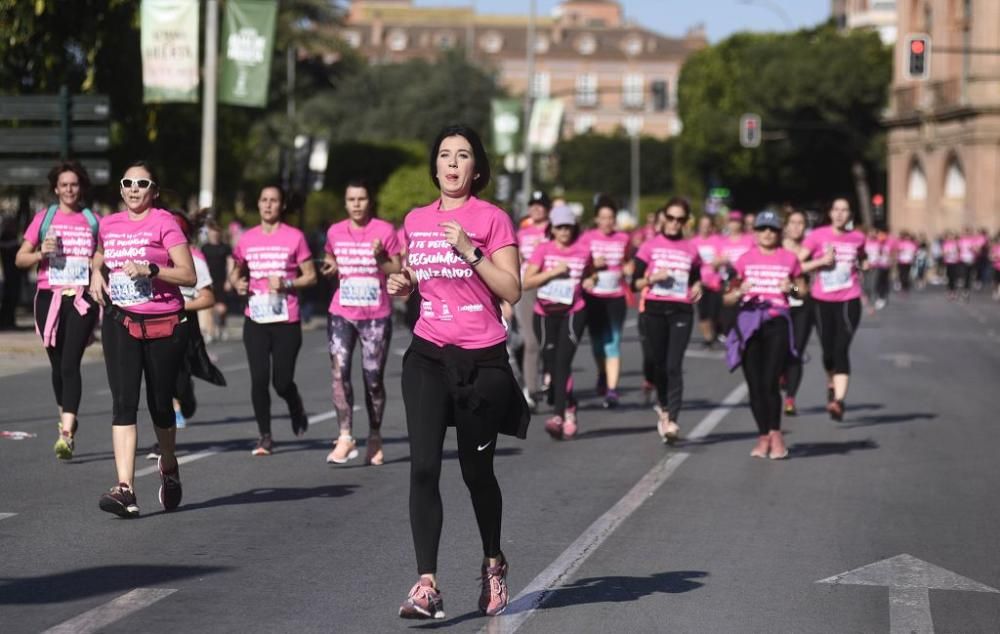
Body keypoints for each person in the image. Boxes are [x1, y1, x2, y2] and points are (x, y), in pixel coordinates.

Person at [387, 125, 528, 620]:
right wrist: (402, 282)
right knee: (423, 467)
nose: (451, 163)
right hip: (428, 356)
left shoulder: (492, 219)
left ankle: (493, 560)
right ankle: (427, 584)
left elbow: (511, 289)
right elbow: (417, 279)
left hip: (481, 360)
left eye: (462, 155)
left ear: (477, 169)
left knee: (476, 473)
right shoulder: (416, 219)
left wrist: (472, 250)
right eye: (444, 155)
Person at [88, 161, 196, 517]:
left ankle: (168, 464)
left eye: (142, 183)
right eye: (128, 183)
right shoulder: (109, 223)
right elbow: (102, 253)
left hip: (164, 322)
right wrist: (95, 274)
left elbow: (188, 275)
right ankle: (125, 489)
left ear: (154, 190)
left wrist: (152, 269)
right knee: (123, 401)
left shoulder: (165, 223)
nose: (134, 188)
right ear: (121, 189)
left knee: (160, 404)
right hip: (121, 320)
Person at [15, 160, 100, 460]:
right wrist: (41, 252)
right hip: (48, 298)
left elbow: (103, 257)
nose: (69, 189)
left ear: (81, 188)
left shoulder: (92, 221)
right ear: (56, 188)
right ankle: (67, 415)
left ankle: (66, 434)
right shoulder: (45, 218)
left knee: (69, 364)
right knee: (56, 366)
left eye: (74, 184)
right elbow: (20, 258)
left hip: (81, 299)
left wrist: (96, 266)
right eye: (64, 185)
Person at [230, 184, 317, 457]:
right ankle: (265, 435)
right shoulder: (247, 239)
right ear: (258, 204)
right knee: (258, 379)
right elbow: (235, 273)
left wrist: (288, 282)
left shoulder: (295, 237)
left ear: (281, 206)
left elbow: (311, 276)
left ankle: (295, 404)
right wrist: (238, 284)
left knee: (281, 382)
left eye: (274, 200)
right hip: (255, 318)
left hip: (286, 319)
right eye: (264, 200)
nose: (268, 205)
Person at [320, 180, 402, 465]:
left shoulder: (385, 231)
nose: (356, 204)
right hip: (341, 312)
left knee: (373, 380)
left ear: (370, 201)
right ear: (345, 203)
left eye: (361, 198)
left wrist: (381, 257)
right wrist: (330, 266)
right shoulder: (335, 231)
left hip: (375, 316)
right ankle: (344, 436)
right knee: (339, 372)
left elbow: (397, 269)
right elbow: (330, 259)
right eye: (351, 199)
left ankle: (375, 436)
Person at [724, 210, 806, 459]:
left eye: (772, 229)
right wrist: (738, 293)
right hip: (749, 323)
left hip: (776, 322)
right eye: (762, 229)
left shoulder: (789, 258)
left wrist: (789, 287)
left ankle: (776, 434)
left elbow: (802, 291)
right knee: (755, 384)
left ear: (779, 233)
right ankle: (763, 436)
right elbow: (727, 297)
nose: (767, 233)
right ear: (755, 232)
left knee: (770, 381)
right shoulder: (743, 260)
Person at [632, 197, 702, 444]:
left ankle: (672, 417)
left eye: (680, 219)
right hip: (654, 310)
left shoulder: (691, 249)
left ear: (685, 221)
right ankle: (662, 404)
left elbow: (696, 278)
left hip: (681, 310)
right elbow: (634, 283)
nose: (674, 223)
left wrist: (698, 287)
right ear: (663, 218)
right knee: (658, 363)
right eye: (670, 218)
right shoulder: (649, 247)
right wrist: (652, 279)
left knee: (674, 365)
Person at [524, 204, 593, 438]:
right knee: (551, 364)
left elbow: (590, 272)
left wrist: (590, 280)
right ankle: (571, 405)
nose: (565, 232)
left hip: (573, 312)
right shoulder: (542, 250)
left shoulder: (583, 250)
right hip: (544, 314)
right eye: (560, 227)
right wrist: (553, 273)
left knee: (563, 362)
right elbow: (527, 281)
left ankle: (559, 415)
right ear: (552, 228)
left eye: (569, 227)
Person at [798, 197, 867, 422]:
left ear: (850, 214)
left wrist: (864, 264)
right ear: (829, 213)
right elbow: (796, 264)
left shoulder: (858, 237)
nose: (839, 214)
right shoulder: (817, 236)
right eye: (835, 209)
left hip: (850, 299)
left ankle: (838, 401)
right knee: (828, 351)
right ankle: (831, 383)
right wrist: (820, 263)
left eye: (844, 210)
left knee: (841, 348)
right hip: (821, 300)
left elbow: (863, 258)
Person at [580, 196, 632, 408]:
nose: (607, 222)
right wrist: (592, 264)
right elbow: (579, 264)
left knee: (613, 342)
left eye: (611, 217)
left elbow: (629, 262)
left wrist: (628, 268)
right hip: (593, 298)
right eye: (603, 218)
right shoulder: (587, 238)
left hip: (616, 297)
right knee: (598, 343)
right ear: (596, 219)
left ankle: (612, 390)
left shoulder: (623, 238)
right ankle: (602, 372)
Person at [515, 190, 550, 409]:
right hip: (526, 289)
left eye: (540, 205)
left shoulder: (555, 230)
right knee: (531, 341)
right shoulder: (522, 233)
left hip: (550, 288)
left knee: (548, 341)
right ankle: (532, 389)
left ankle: (551, 379)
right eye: (533, 205)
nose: (536, 208)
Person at [781, 208, 811, 416]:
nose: (796, 227)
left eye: (801, 223)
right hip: (777, 307)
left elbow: (801, 290)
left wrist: (790, 288)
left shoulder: (811, 249)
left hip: (802, 305)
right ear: (785, 226)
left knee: (796, 351)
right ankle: (781, 375)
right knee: (778, 350)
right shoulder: (774, 247)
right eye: (792, 222)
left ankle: (790, 398)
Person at [716, 210, 755, 335]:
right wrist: (721, 261)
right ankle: (728, 333)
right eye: (731, 221)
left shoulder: (750, 239)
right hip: (728, 280)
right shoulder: (722, 241)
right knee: (727, 309)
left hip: (745, 280)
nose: (734, 224)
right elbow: (714, 263)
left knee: (742, 310)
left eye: (737, 221)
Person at [690, 214, 723, 348]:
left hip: (715, 282)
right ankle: (708, 338)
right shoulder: (694, 242)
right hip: (700, 283)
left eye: (707, 226)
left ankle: (715, 333)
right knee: (703, 312)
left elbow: (723, 256)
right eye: (702, 225)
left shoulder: (717, 240)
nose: (705, 228)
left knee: (714, 313)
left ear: (711, 227)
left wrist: (718, 261)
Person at [200, 219, 233, 342]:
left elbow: (230, 263)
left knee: (222, 308)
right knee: (208, 307)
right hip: (208, 280)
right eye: (212, 232)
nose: (214, 234)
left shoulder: (225, 247)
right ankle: (209, 331)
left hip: (222, 280)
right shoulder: (204, 248)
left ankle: (222, 325)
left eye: (216, 232)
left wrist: (229, 280)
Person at [895, 231, 918, 295]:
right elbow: (898, 250)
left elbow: (915, 252)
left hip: (908, 261)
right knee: (901, 274)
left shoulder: (912, 244)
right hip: (901, 261)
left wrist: (913, 258)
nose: (907, 238)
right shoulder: (901, 243)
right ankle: (902, 286)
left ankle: (905, 287)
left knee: (906, 275)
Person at [941, 231, 961, 301]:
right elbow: (943, 253)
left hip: (955, 262)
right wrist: (947, 253)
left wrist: (957, 251)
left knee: (954, 278)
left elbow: (960, 251)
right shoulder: (945, 244)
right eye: (949, 236)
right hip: (948, 262)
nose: (951, 238)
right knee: (949, 278)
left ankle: (954, 292)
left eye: (952, 236)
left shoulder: (956, 244)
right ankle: (950, 291)